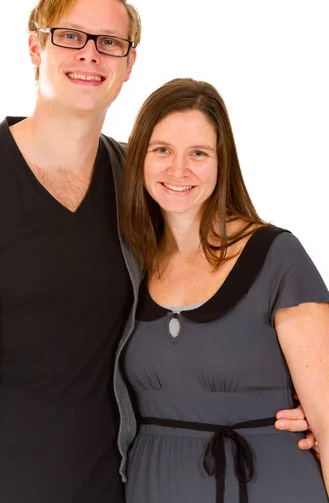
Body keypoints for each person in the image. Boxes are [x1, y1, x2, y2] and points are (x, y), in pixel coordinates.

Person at [0, 0, 316, 503]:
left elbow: (214, 291)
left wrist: (303, 399)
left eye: (109, 42)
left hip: (118, 491)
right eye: (70, 36)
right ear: (35, 48)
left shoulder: (142, 182)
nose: (90, 54)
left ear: (129, 63)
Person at [119, 78, 329, 503]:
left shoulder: (277, 255)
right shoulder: (130, 263)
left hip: (270, 484)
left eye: (198, 153)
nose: (178, 170)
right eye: (162, 150)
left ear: (222, 162)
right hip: (153, 486)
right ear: (139, 157)